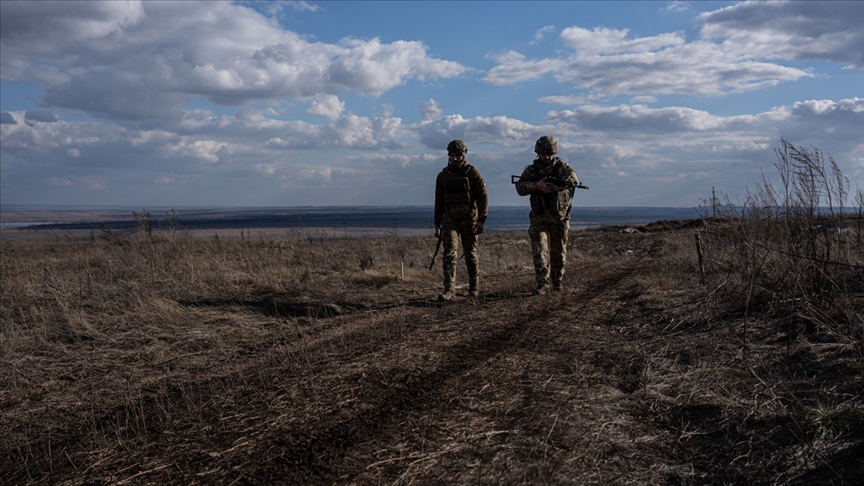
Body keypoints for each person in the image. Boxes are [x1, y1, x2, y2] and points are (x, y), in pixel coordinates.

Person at [515, 135, 579, 294]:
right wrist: (536, 186)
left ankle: (557, 282)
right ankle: (542, 283)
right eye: (543, 153)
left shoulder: (563, 168)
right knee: (539, 249)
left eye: (549, 153)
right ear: (538, 153)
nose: (547, 156)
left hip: (559, 216)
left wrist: (553, 187)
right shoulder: (531, 170)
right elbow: (520, 187)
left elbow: (573, 181)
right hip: (539, 216)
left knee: (558, 251)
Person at [433, 140, 488, 301]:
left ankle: (474, 288)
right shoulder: (443, 176)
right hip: (450, 219)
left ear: (464, 155)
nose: (455, 159)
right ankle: (449, 290)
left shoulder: (472, 173)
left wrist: (481, 219)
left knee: (470, 253)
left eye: (458, 155)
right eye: (452, 155)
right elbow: (439, 201)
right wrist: (437, 223)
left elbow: (483, 197)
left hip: (469, 219)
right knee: (449, 253)